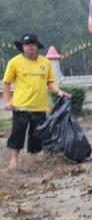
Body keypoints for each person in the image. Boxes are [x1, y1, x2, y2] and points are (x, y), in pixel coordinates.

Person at [3, 34, 71, 170]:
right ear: (22, 47)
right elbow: (6, 83)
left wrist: (58, 91)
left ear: (37, 46)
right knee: (17, 133)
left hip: (39, 106)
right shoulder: (14, 62)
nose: (30, 47)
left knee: (37, 134)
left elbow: (50, 82)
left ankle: (34, 158)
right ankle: (14, 160)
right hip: (20, 106)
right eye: (27, 44)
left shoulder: (45, 62)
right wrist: (6, 101)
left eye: (33, 44)